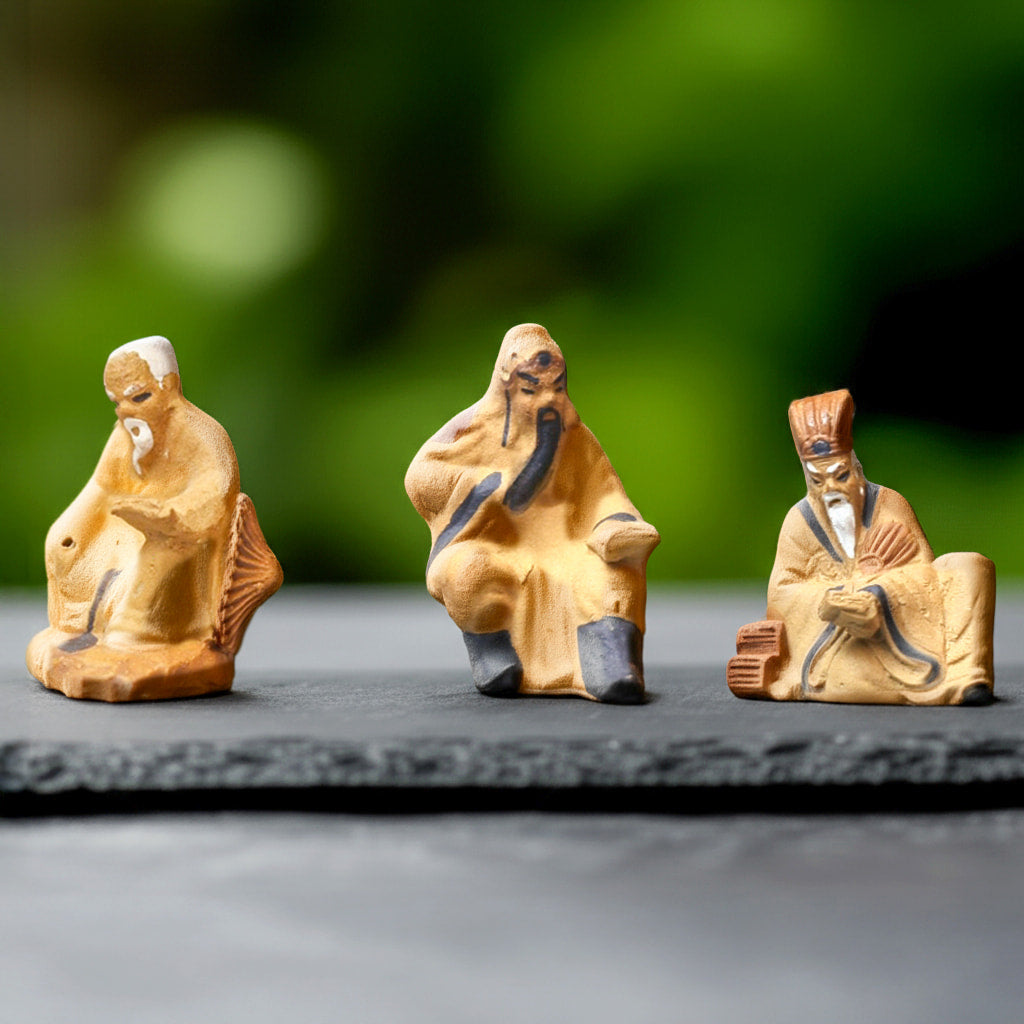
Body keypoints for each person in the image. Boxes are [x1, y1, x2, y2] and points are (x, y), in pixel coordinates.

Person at [405, 323, 660, 703]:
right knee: (470, 573)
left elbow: (607, 494)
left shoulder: (575, 439)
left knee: (610, 573)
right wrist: (484, 484)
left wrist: (617, 526)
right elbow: (421, 476)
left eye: (556, 388)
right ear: (506, 387)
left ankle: (607, 664)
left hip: (570, 543)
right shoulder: (468, 433)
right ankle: (495, 653)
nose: (546, 400)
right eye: (532, 389)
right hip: (492, 542)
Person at [27, 336, 281, 700]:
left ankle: (134, 642)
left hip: (184, 542)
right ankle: (74, 630)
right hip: (122, 532)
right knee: (65, 544)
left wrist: (166, 516)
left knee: (158, 554)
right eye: (117, 403)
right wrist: (69, 529)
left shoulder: (205, 436)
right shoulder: (125, 433)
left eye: (139, 398)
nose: (127, 412)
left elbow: (214, 497)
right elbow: (101, 486)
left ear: (169, 387)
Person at [728, 389, 995, 705]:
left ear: (857, 468)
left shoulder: (888, 504)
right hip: (836, 649)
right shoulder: (800, 521)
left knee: (969, 565)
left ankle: (964, 675)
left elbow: (925, 576)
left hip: (902, 638)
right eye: (818, 482)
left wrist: (878, 593)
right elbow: (782, 594)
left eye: (840, 476)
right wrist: (835, 599)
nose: (831, 490)